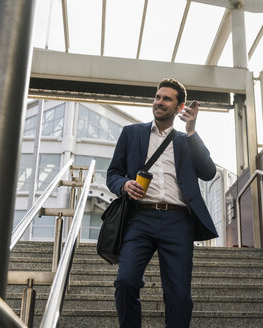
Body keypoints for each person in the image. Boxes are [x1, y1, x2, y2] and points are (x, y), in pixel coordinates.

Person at [106, 78, 218, 328]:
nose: (159, 102)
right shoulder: (132, 133)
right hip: (139, 218)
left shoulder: (185, 139)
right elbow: (112, 173)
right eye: (157, 97)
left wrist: (191, 130)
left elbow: (209, 172)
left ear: (180, 107)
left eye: (167, 98)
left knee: (179, 294)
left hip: (178, 221)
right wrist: (124, 185)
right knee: (125, 281)